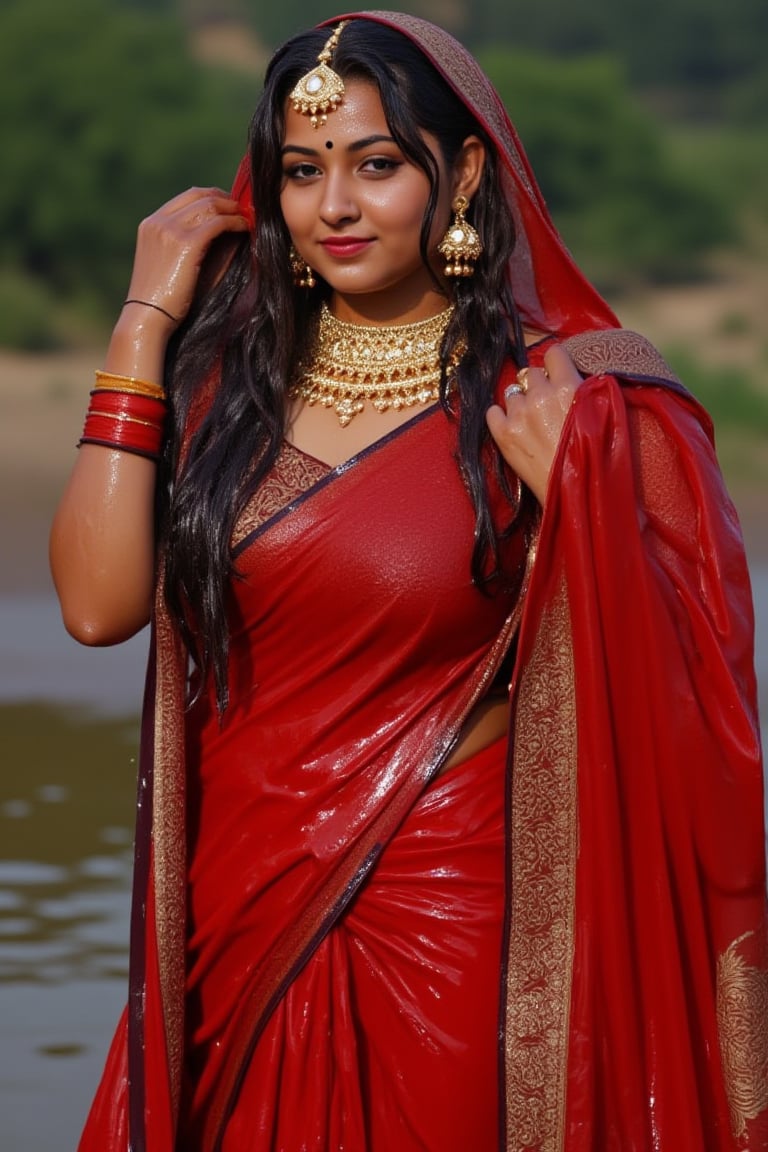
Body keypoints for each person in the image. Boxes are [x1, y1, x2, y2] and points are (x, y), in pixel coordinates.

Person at [50, 11, 768, 1152]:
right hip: (232, 917)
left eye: (376, 164)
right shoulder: (222, 391)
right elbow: (95, 609)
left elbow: (703, 709)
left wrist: (584, 513)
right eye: (302, 171)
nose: (334, 206)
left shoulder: (566, 406)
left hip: (450, 928)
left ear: (464, 169)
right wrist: (144, 320)